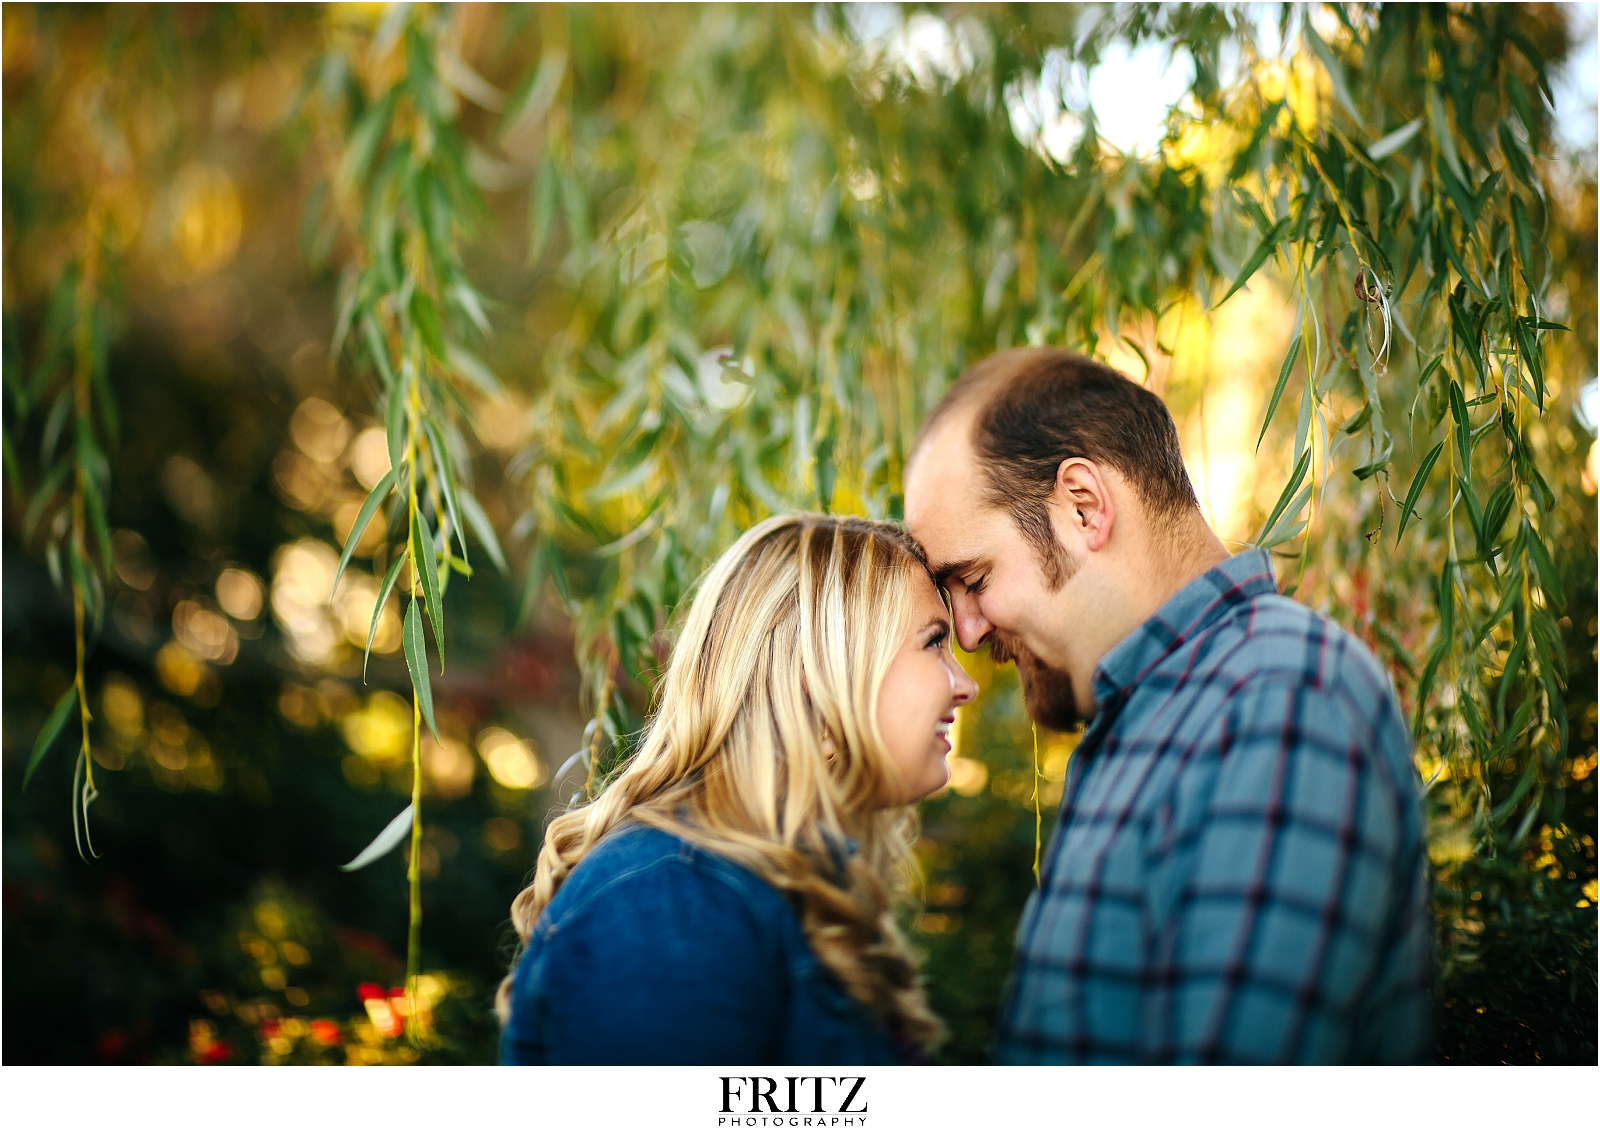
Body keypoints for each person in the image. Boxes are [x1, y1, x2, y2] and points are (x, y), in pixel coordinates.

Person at [903, 346, 1431, 1064]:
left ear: (1084, 505)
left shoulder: (1280, 697)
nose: (966, 633)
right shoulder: (1158, 717)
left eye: (973, 578)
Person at [498, 514, 978, 1064]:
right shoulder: (672, 899)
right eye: (934, 642)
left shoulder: (759, 881)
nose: (966, 685)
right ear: (819, 675)